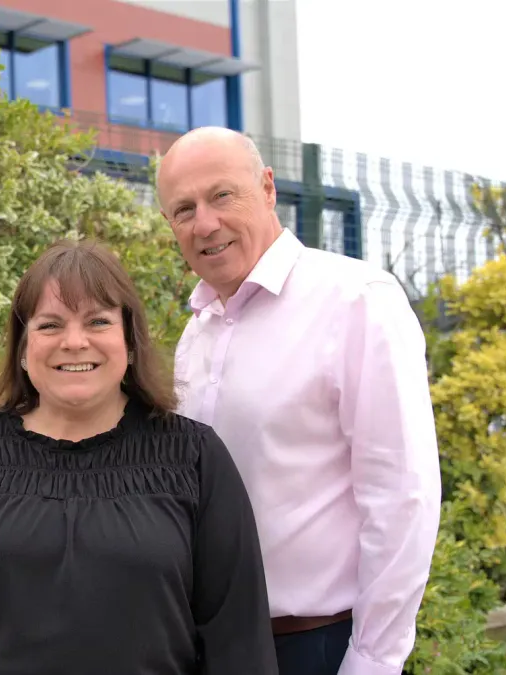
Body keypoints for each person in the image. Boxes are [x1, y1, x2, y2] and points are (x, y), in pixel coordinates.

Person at [0, 239, 278, 675]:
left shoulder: (194, 458)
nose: (74, 342)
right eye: (50, 325)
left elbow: (238, 639)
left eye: (97, 321)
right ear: (23, 349)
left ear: (129, 342)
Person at [159, 126, 442, 675]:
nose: (205, 223)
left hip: (321, 646)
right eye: (183, 210)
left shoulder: (356, 302)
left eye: (222, 195)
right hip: (217, 648)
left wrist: (373, 661)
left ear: (267, 188)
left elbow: (402, 495)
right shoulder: (198, 332)